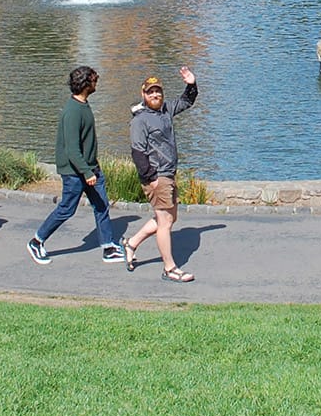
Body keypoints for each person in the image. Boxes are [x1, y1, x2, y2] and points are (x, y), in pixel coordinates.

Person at [27, 66, 125, 265]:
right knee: (66, 209)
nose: (97, 82)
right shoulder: (72, 111)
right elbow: (72, 149)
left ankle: (107, 246)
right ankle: (36, 241)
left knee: (101, 205)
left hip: (90, 168)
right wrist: (86, 171)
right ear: (86, 84)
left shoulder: (83, 105)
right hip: (75, 172)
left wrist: (92, 167)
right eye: (94, 80)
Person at [122, 67, 200, 283]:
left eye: (158, 91)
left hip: (169, 172)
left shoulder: (165, 110)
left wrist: (191, 84)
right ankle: (170, 269)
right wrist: (151, 178)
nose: (155, 95)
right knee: (165, 221)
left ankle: (131, 243)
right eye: (150, 92)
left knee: (169, 218)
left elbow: (187, 101)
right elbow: (138, 152)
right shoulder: (140, 120)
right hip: (157, 176)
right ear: (143, 94)